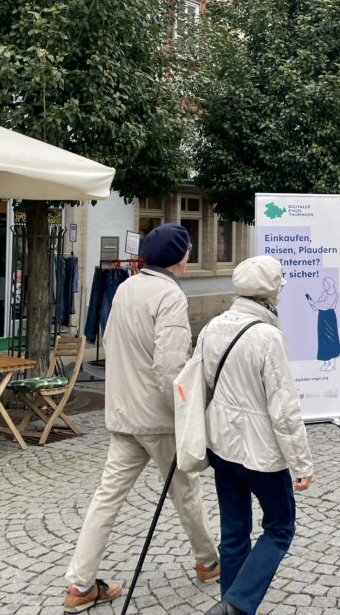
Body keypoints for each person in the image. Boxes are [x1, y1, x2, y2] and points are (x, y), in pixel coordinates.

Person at [63, 223, 220, 614]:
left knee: (106, 499)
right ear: (181, 258)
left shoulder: (126, 287)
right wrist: (188, 412)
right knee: (186, 491)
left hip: (123, 412)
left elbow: (113, 344)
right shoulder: (169, 295)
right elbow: (170, 367)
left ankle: (80, 584)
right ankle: (208, 561)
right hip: (158, 418)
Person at [196, 256, 313, 615]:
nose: (280, 291)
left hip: (221, 444)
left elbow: (200, 385)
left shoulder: (212, 326)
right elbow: (284, 406)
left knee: (234, 532)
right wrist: (301, 463)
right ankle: (236, 603)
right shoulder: (267, 336)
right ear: (268, 291)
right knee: (280, 527)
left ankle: (230, 604)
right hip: (259, 451)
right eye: (278, 286)